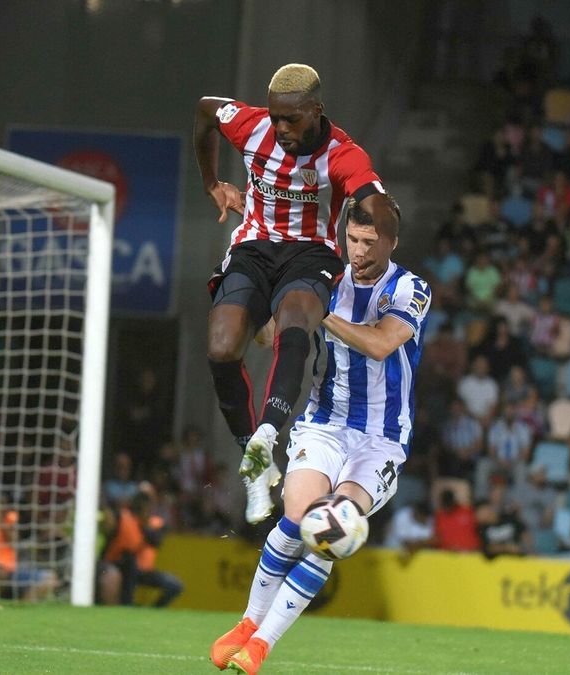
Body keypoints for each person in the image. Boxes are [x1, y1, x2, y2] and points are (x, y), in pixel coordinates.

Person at [209, 195, 429, 674]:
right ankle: (247, 625)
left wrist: (310, 308)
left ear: (392, 241)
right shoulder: (325, 277)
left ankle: (262, 645)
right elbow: (269, 338)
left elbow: (380, 343)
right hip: (325, 421)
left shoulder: (410, 288)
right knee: (295, 518)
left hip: (382, 437)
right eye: (352, 239)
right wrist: (271, 308)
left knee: (332, 528)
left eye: (370, 242)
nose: (358, 251)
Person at [194, 63, 396, 524]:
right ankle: (255, 462)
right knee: (222, 350)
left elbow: (377, 205)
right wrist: (212, 183)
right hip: (254, 247)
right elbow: (205, 111)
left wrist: (377, 243)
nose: (280, 128)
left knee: (296, 322)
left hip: (312, 254)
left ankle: (269, 431)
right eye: (275, 117)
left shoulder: (342, 155)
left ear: (316, 111)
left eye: (291, 119)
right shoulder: (251, 127)